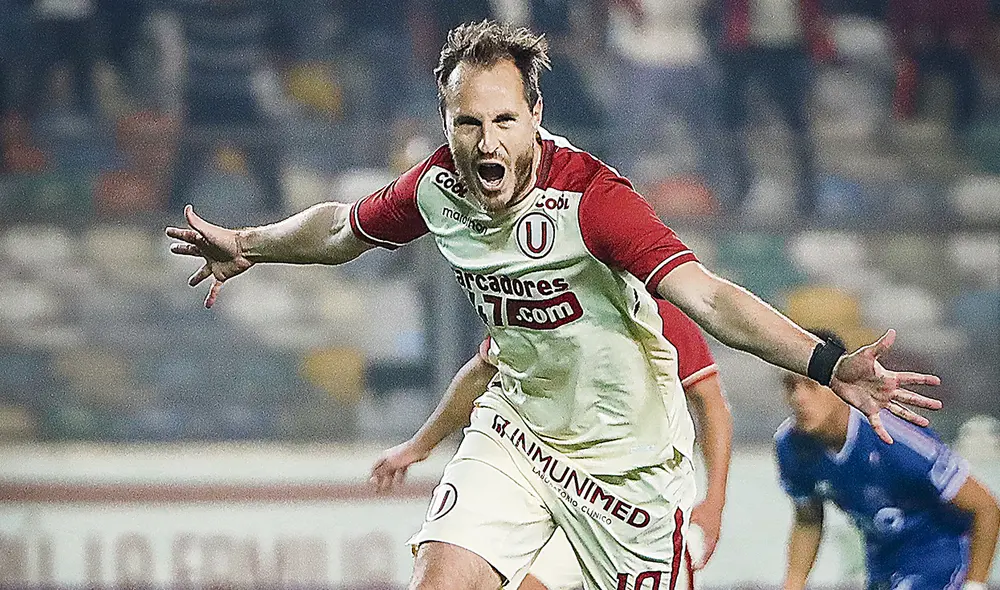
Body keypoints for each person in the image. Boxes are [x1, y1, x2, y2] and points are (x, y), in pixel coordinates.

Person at [166, 20, 942, 590]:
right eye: (467, 122)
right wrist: (251, 243)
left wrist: (828, 361)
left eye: (504, 119)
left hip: (627, 476)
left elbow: (706, 296)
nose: (485, 141)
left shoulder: (593, 200)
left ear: (535, 113)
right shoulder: (436, 188)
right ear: (446, 124)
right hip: (521, 436)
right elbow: (341, 228)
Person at [370, 301, 733, 590]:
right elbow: (482, 370)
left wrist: (714, 500)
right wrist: (419, 445)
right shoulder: (540, 305)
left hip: (629, 505)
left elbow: (709, 400)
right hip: (554, 480)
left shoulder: (655, 314)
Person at [776, 330, 1000, 590]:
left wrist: (974, 585)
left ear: (838, 385)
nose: (798, 398)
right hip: (883, 564)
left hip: (941, 556)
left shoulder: (893, 436)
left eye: (811, 385)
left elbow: (985, 507)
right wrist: (792, 584)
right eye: (790, 385)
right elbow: (808, 519)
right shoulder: (790, 445)